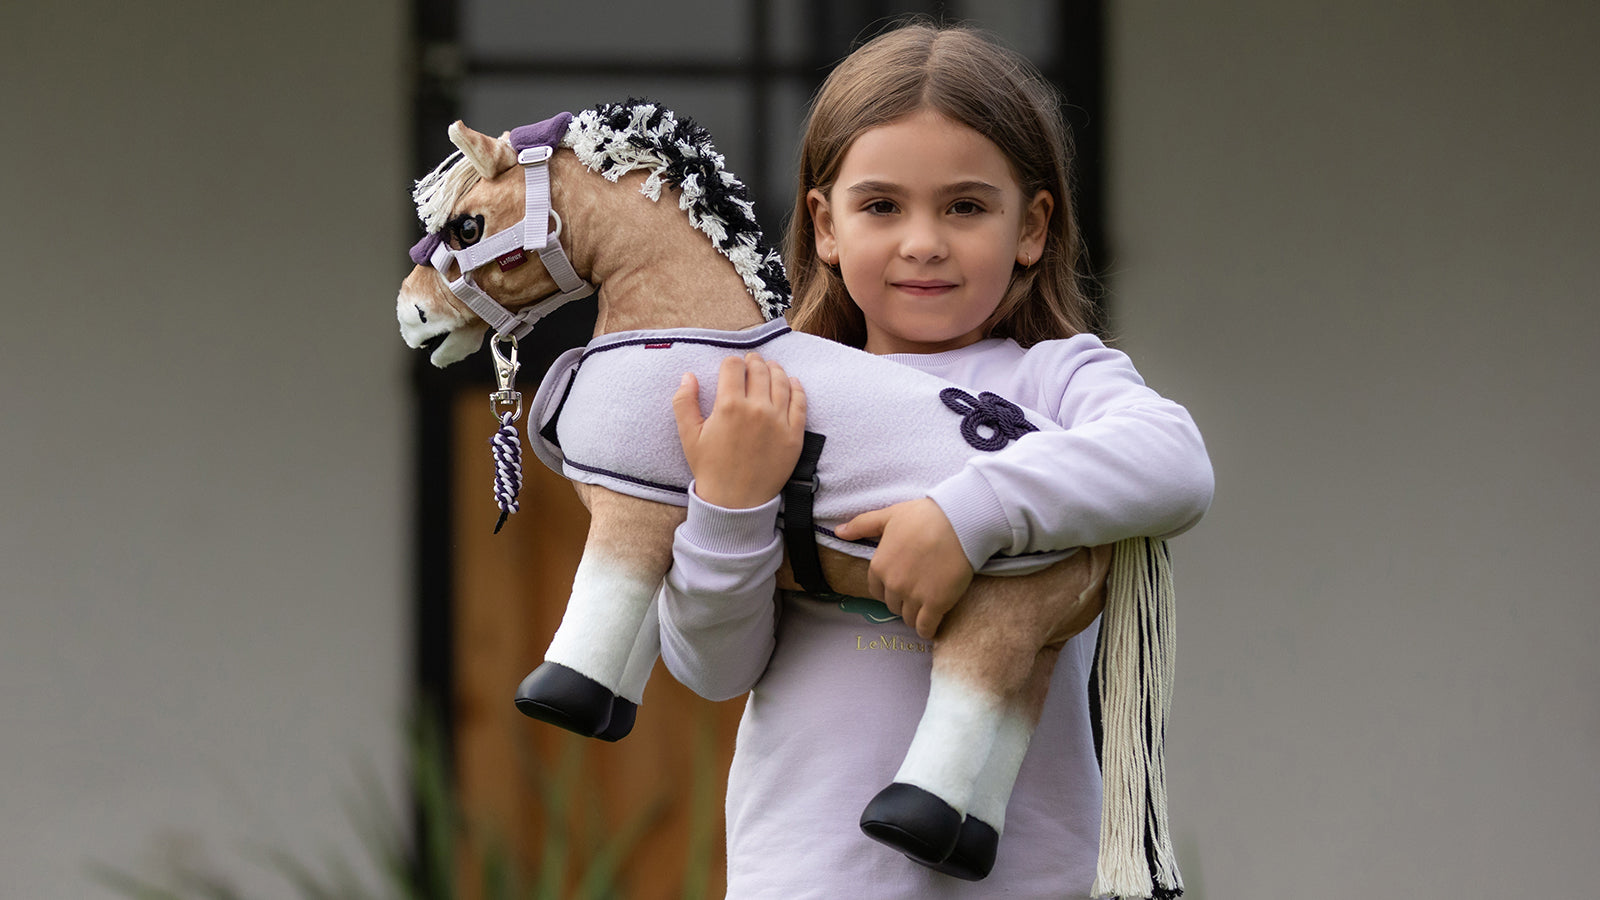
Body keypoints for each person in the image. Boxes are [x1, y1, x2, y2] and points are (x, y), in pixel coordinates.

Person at [658, 21, 1213, 899]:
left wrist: (968, 516)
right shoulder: (779, 402)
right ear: (825, 225)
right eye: (882, 206)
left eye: (965, 207)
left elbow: (1175, 463)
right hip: (809, 878)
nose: (923, 241)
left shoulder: (1054, 379)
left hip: (1029, 880)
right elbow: (712, 669)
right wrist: (728, 504)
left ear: (1032, 227)